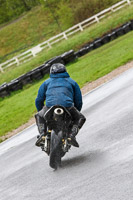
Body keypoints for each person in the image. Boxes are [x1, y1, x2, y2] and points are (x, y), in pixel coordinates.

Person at [35, 63, 86, 148]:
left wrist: (41, 111)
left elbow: (39, 100)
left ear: (51, 72)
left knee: (38, 115)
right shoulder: (72, 82)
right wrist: (76, 113)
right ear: (65, 71)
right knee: (81, 118)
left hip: (49, 106)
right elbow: (78, 101)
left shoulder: (46, 83)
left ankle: (42, 135)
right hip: (67, 106)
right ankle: (71, 135)